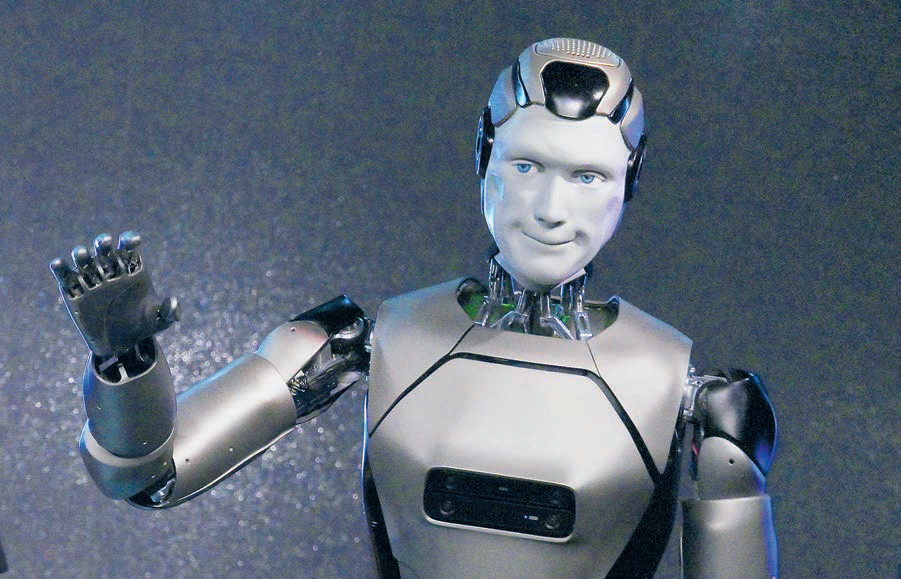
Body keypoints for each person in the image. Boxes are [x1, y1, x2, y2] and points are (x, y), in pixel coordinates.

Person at [51, 38, 778, 577]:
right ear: (484, 156)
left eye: (587, 176)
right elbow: (152, 477)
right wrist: (126, 366)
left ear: (630, 181)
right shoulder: (360, 343)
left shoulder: (697, 398)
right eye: (527, 165)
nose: (550, 208)